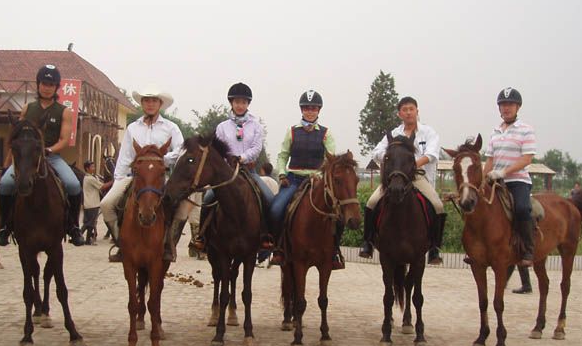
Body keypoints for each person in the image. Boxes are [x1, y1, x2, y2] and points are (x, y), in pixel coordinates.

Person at [0, 65, 86, 246]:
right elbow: (17, 137)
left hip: (51, 156)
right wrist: (8, 164)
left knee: (73, 184)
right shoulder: (28, 108)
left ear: (56, 87)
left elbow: (64, 139)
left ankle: (73, 226)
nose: (47, 87)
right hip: (26, 158)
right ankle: (5, 226)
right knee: (5, 184)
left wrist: (49, 150)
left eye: (51, 84)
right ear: (38, 85)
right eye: (44, 83)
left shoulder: (64, 111)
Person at [100, 85, 184, 263]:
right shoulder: (132, 128)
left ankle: (169, 244)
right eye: (146, 101)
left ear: (160, 104)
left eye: (154, 100)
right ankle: (121, 243)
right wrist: (119, 180)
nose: (150, 104)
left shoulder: (171, 128)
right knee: (107, 204)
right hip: (135, 177)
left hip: (161, 178)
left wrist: (162, 160)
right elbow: (125, 156)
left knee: (179, 208)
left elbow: (180, 151)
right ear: (142, 104)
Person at [359, 96, 447, 265]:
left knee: (438, 206)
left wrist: (411, 165)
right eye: (404, 110)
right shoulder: (394, 134)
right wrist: (391, 157)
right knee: (371, 202)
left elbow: (431, 154)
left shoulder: (428, 132)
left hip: (418, 176)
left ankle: (435, 247)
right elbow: (376, 151)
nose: (408, 112)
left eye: (411, 109)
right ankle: (368, 242)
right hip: (396, 178)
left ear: (417, 111)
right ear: (399, 114)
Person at [191, 82, 274, 251]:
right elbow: (217, 149)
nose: (240, 105)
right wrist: (227, 160)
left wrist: (241, 157)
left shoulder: (256, 126)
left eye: (243, 102)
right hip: (226, 173)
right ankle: (202, 235)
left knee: (268, 197)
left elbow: (257, 148)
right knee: (208, 198)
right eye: (237, 102)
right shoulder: (222, 127)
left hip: (248, 170)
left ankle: (266, 235)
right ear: (231, 103)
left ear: (248, 104)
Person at [269, 89, 344, 269]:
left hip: (317, 181)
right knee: (276, 209)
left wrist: (318, 175)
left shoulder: (326, 133)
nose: (310, 111)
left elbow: (330, 159)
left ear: (319, 110)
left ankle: (334, 252)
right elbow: (282, 155)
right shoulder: (292, 132)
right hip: (293, 179)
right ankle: (277, 249)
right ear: (301, 110)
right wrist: (281, 173)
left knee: (339, 215)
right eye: (306, 108)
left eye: (313, 108)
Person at [484, 87, 537, 267]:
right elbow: (490, 160)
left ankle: (528, 248)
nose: (506, 108)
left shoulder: (526, 130)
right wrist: (482, 180)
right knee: (477, 207)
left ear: (518, 107)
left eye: (510, 105)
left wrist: (505, 172)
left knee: (522, 208)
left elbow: (527, 158)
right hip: (496, 181)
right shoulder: (495, 132)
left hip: (517, 181)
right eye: (503, 105)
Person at [81, 160, 102, 245]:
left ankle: (87, 240)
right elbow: (102, 186)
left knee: (89, 223)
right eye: (92, 167)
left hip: (88, 203)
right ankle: (78, 235)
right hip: (92, 203)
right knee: (89, 223)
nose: (94, 168)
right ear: (87, 168)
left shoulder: (89, 177)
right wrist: (112, 182)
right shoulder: (90, 179)